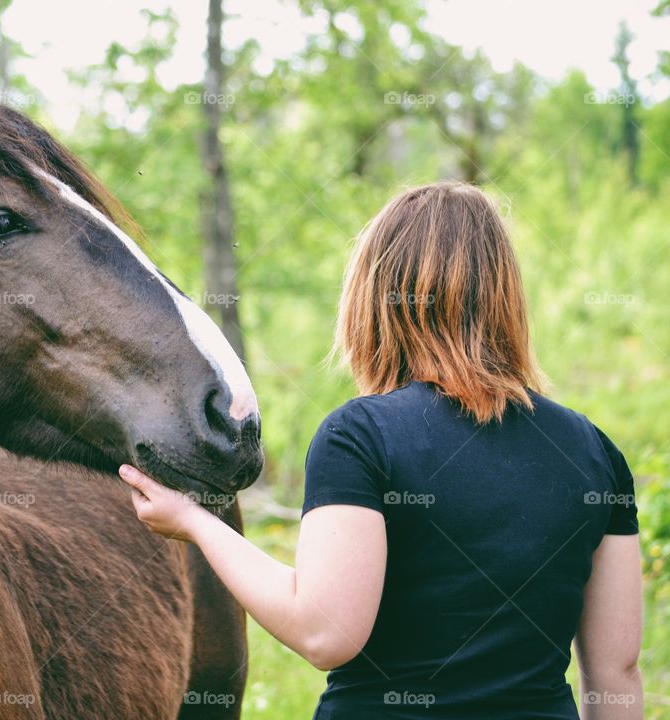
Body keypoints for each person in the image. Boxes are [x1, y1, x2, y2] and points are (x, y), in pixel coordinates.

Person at [119, 182, 643, 719]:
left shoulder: (361, 436)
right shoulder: (595, 451)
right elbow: (615, 673)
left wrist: (197, 522)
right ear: (505, 296)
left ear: (374, 298)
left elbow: (324, 632)